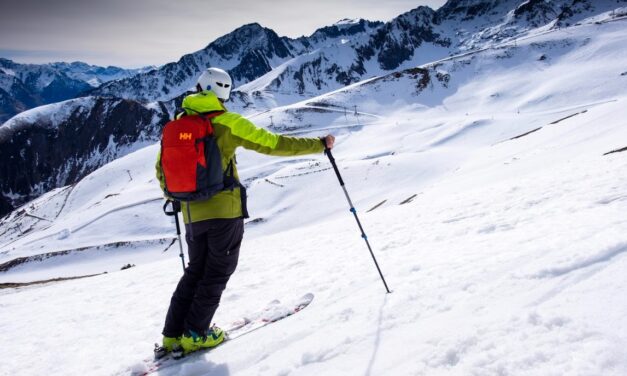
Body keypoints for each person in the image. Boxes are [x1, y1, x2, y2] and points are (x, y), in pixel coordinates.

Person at [155, 67, 335, 355]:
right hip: (224, 213)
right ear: (224, 93)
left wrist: (181, 197)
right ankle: (195, 334)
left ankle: (171, 337)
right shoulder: (228, 122)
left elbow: (161, 171)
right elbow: (273, 144)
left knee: (194, 272)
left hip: (190, 215)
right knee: (217, 272)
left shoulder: (178, 126)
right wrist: (317, 145)